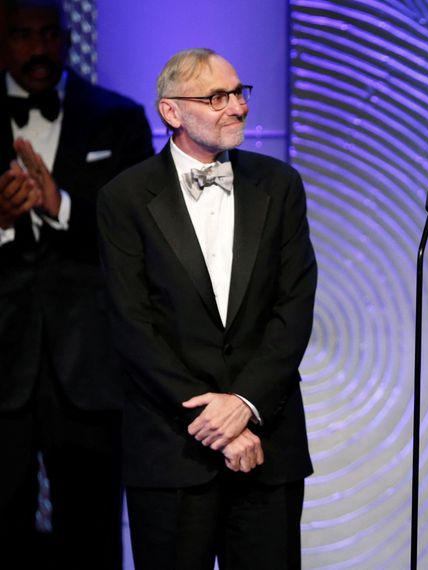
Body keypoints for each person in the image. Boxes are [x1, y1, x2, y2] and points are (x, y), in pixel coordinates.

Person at [96, 47, 316, 570]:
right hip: (172, 448)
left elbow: (294, 307)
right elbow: (133, 326)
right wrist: (214, 418)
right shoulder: (123, 197)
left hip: (267, 442)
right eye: (217, 97)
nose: (237, 107)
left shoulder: (279, 185)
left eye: (239, 93)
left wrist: (245, 404)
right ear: (171, 112)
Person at [0, 0, 153, 567]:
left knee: (91, 536)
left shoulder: (119, 118)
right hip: (3, 367)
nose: (37, 48)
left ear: (67, 38)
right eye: (21, 34)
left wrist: (58, 204)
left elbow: (140, 237)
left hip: (90, 370)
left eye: (48, 34)